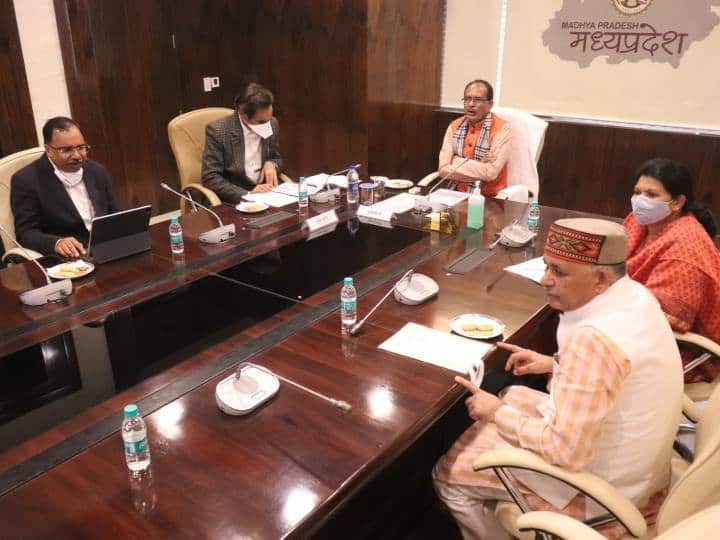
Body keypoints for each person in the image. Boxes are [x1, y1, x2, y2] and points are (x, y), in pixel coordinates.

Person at [434, 218, 683, 540]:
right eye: (547, 266)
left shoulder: (593, 342)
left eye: (560, 272)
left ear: (601, 278)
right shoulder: (636, 296)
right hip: (644, 472)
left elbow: (565, 452)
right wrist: (552, 363)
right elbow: (621, 369)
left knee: (448, 473)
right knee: (513, 392)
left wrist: (495, 413)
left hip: (604, 494)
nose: (544, 279)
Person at [624, 158, 720, 383]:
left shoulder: (685, 247)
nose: (640, 201)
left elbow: (660, 319)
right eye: (637, 192)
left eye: (651, 195)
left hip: (681, 348)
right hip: (632, 319)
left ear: (677, 202)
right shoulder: (638, 222)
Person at [11, 117, 118, 257]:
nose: (77, 156)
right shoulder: (26, 180)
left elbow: (114, 213)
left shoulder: (97, 171)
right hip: (67, 258)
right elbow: (25, 234)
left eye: (81, 147)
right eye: (67, 150)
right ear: (48, 150)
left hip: (106, 248)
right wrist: (56, 243)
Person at [202, 82, 283, 204]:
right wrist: (248, 194)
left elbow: (276, 157)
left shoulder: (272, 123)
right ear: (244, 116)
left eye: (269, 118)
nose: (267, 125)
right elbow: (210, 177)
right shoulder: (218, 131)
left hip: (266, 194)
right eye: (261, 122)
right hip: (235, 199)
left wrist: (272, 164)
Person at [437, 79, 511, 197]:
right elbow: (443, 169)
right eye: (467, 99)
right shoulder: (454, 126)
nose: (471, 104)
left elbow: (490, 173)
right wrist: (480, 164)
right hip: (456, 194)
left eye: (477, 100)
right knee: (426, 209)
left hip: (490, 198)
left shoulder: (502, 129)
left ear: (490, 104)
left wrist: (455, 161)